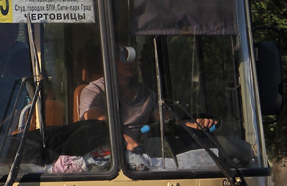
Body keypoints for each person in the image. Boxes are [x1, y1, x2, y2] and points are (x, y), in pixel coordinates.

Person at [79, 44, 214, 151]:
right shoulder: (93, 91)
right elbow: (98, 123)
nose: (130, 63)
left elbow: (164, 119)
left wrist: (192, 125)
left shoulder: (145, 92)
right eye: (123, 57)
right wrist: (125, 139)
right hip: (113, 154)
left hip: (146, 152)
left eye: (133, 58)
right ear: (109, 61)